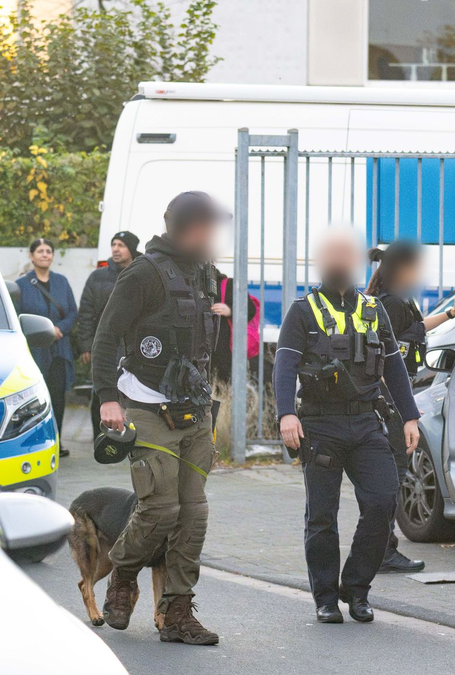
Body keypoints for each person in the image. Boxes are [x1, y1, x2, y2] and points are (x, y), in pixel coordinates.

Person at [91, 191, 226, 645]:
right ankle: (123, 575)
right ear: (180, 227)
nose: (210, 235)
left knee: (194, 514)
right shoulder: (142, 274)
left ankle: (178, 612)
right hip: (145, 406)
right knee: (160, 508)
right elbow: (107, 337)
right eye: (203, 226)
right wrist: (108, 398)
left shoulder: (206, 274)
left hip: (195, 411)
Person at [273, 228, 421, 625]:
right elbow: (284, 364)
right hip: (320, 424)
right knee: (322, 515)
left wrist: (409, 416)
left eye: (346, 254)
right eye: (332, 255)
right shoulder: (303, 311)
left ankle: (355, 588)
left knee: (382, 501)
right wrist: (286, 413)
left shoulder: (374, 309)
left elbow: (393, 365)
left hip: (366, 422)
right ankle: (325, 598)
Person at [366, 240, 455, 574]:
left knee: (391, 477)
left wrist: (451, 314)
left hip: (393, 399)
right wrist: (392, 403)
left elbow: (416, 331)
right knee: (390, 478)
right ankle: (382, 551)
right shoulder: (391, 303)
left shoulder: (395, 300)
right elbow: (381, 356)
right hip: (390, 402)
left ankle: (381, 550)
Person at [76, 231, 140, 443]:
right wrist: (85, 345)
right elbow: (85, 313)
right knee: (102, 391)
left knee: (133, 392)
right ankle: (103, 438)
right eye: (113, 244)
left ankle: (131, 436)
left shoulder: (143, 273)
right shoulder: (98, 277)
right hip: (104, 345)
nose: (115, 249)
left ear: (131, 248)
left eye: (121, 245)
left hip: (134, 346)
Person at [15, 238, 77, 457]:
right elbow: (17, 316)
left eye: (48, 251)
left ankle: (56, 442)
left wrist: (58, 329)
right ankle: (34, 444)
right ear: (31, 256)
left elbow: (72, 312)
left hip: (59, 349)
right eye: (40, 251)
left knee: (57, 399)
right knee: (34, 399)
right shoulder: (21, 285)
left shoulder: (62, 282)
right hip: (34, 352)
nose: (45, 254)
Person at [210, 269, 264, 386]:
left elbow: (250, 310)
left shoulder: (228, 285)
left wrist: (230, 311)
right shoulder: (194, 283)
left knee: (224, 385)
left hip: (225, 353)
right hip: (204, 352)